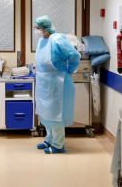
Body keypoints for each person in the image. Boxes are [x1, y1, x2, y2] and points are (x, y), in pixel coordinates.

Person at [34, 15, 81, 154]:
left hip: (57, 82)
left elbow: (74, 55)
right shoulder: (42, 40)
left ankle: (58, 145)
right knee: (45, 112)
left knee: (55, 114)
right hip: (44, 83)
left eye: (38, 28)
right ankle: (49, 139)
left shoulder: (57, 39)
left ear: (45, 28)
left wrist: (70, 70)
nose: (36, 31)